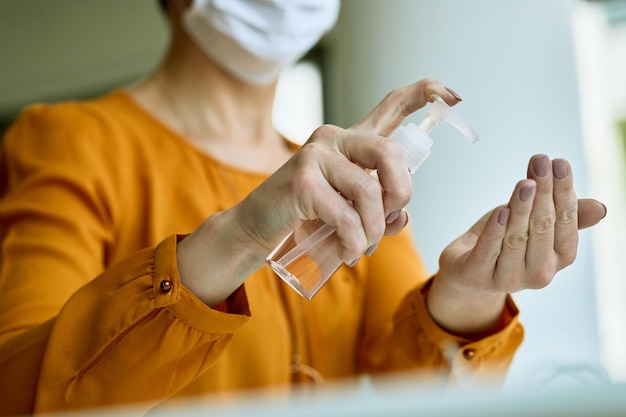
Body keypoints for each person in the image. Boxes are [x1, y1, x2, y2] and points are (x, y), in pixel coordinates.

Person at [0, 0, 607, 415]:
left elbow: (413, 384)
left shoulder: (342, 176)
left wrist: (468, 296)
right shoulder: (72, 141)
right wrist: (237, 236)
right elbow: (23, 390)